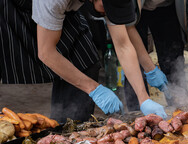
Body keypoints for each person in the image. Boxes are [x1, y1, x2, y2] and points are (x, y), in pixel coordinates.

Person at [0, 0, 167, 123]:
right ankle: (60, 137)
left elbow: (123, 44)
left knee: (86, 62)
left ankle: (72, 129)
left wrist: (144, 98)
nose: (106, 14)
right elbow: (46, 53)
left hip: (65, 9)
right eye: (106, 9)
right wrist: (95, 89)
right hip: (15, 9)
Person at [122, 0, 188, 110]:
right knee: (134, 65)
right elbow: (127, 27)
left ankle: (180, 110)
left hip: (168, 9)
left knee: (174, 64)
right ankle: (137, 113)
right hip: (133, 13)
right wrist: (150, 69)